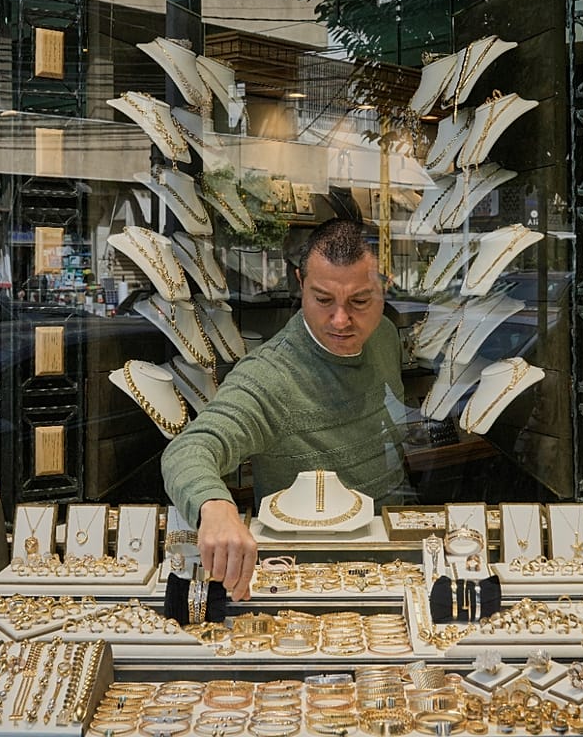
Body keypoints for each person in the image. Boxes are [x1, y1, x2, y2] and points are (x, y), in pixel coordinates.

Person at [160, 219, 411, 600]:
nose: (341, 320)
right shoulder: (270, 376)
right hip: (304, 578)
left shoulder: (385, 337)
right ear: (300, 283)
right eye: (323, 299)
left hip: (397, 559)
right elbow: (189, 450)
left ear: (384, 287)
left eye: (360, 301)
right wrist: (214, 505)